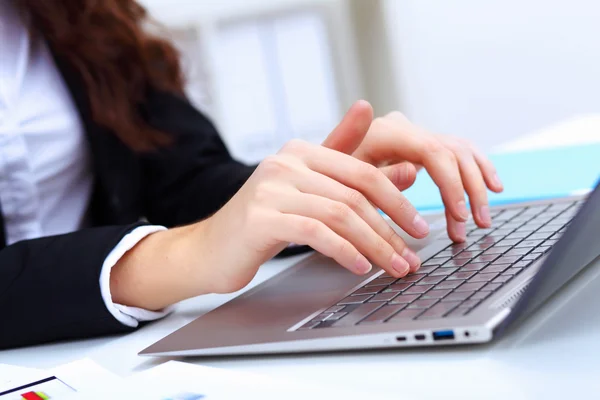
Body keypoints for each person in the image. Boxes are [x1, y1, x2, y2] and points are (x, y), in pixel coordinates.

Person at [0, 0, 503, 350]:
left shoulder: (75, 16)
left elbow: (184, 176)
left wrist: (317, 184)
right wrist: (172, 258)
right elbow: (198, 243)